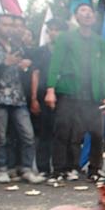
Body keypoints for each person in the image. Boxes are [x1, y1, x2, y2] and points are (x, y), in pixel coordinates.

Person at [46, 4, 105, 183]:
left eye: (90, 11)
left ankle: (95, 169)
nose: (87, 14)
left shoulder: (101, 42)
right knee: (64, 131)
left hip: (93, 95)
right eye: (82, 11)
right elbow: (55, 63)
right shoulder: (65, 38)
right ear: (75, 16)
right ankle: (61, 169)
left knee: (97, 134)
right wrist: (50, 89)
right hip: (69, 91)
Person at [0, 13, 44, 184]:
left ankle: (26, 168)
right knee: (1, 136)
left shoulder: (17, 46)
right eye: (4, 24)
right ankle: (1, 168)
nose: (8, 28)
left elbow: (26, 69)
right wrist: (4, 63)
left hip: (17, 96)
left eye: (11, 24)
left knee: (27, 134)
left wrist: (24, 65)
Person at [30, 18, 68, 177]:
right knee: (44, 132)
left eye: (57, 29)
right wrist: (34, 98)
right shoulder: (41, 51)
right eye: (51, 29)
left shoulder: (69, 52)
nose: (54, 33)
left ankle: (60, 168)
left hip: (65, 95)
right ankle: (43, 168)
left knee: (62, 132)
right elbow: (35, 73)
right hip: (43, 95)